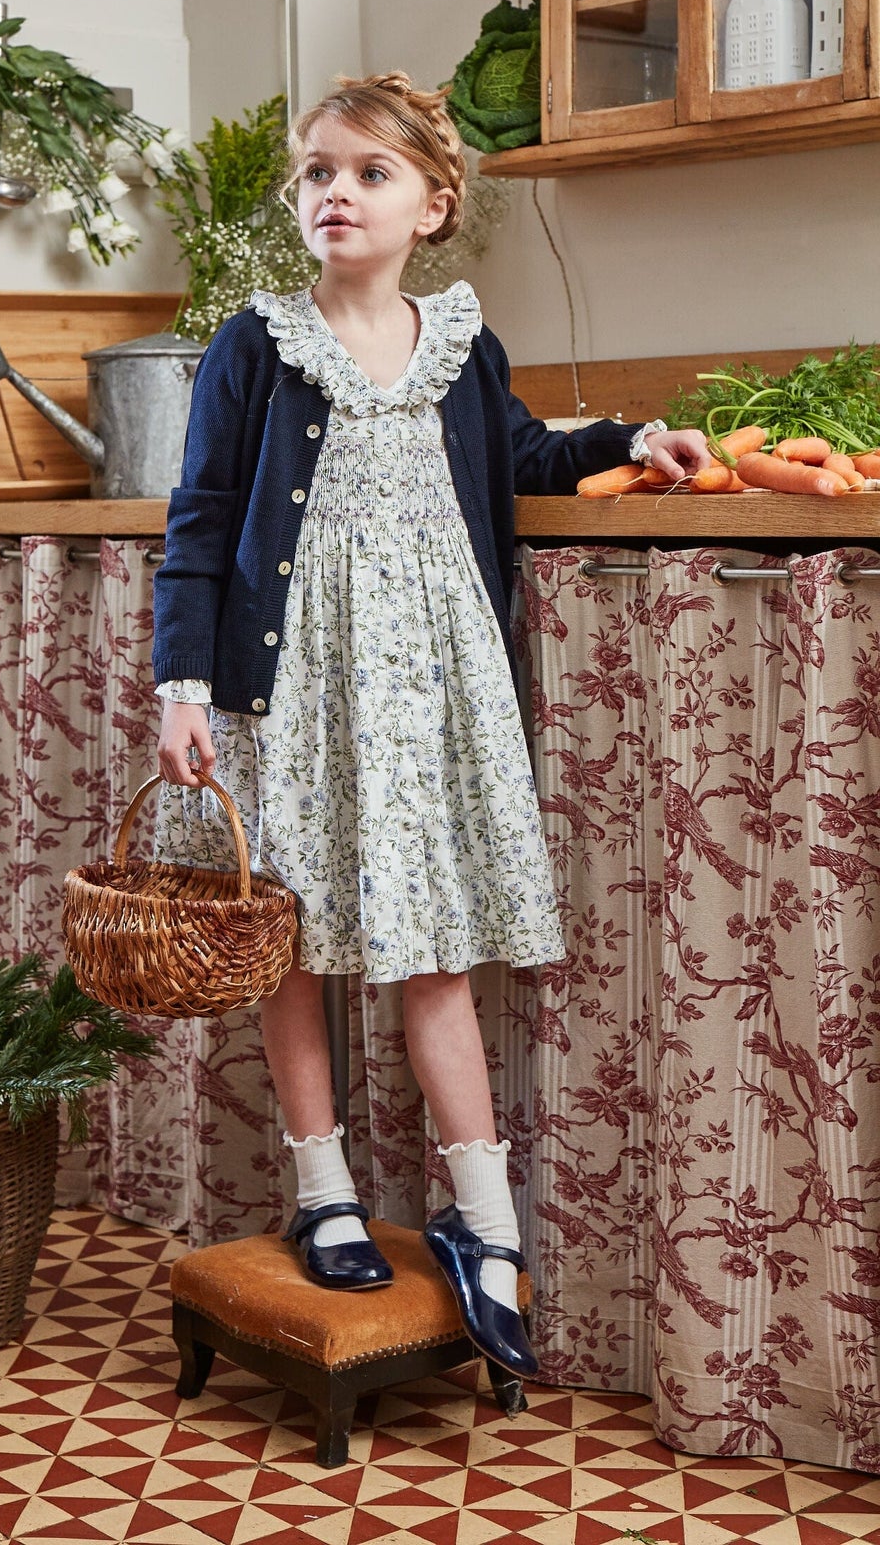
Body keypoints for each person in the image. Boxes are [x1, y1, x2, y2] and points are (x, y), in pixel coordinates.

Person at [152, 72, 710, 1379]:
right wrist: (182, 687)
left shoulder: (462, 341)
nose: (335, 193)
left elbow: (521, 453)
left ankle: (490, 1226)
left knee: (431, 954)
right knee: (292, 943)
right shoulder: (258, 343)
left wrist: (636, 436)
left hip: (432, 698)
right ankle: (324, 1186)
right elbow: (199, 517)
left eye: (368, 173)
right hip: (295, 690)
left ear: (433, 203)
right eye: (318, 174)